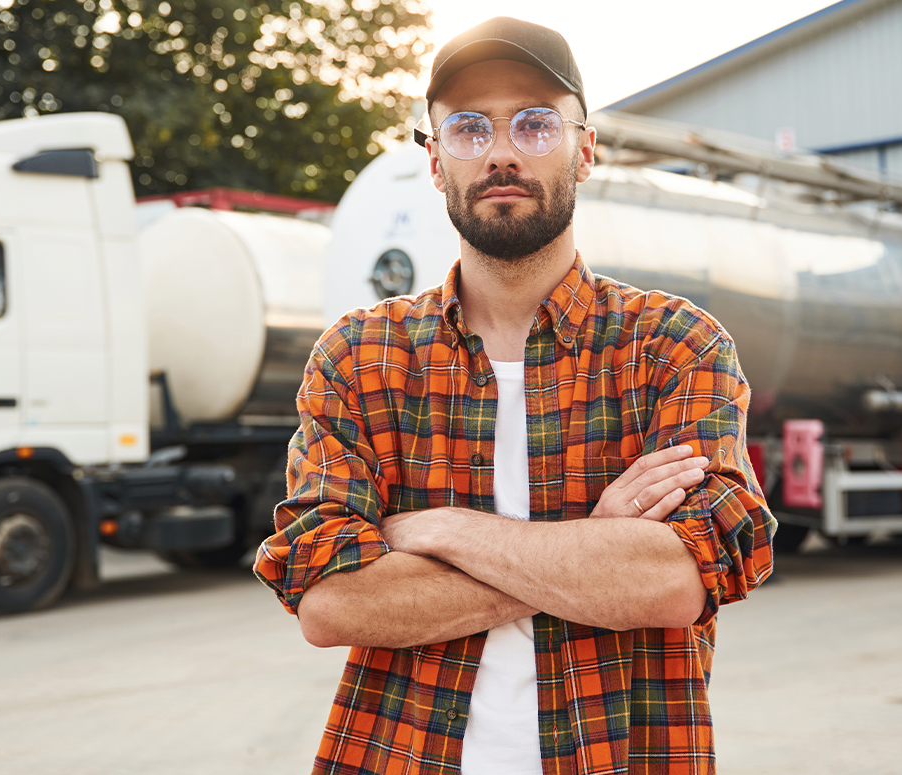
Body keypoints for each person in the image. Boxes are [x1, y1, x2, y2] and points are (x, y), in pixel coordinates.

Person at [254, 16, 776, 775]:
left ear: (585, 149)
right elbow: (332, 604)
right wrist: (591, 542)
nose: (500, 152)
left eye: (534, 124)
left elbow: (674, 579)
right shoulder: (362, 357)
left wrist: (441, 529)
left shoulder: (671, 347)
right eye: (467, 129)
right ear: (435, 163)